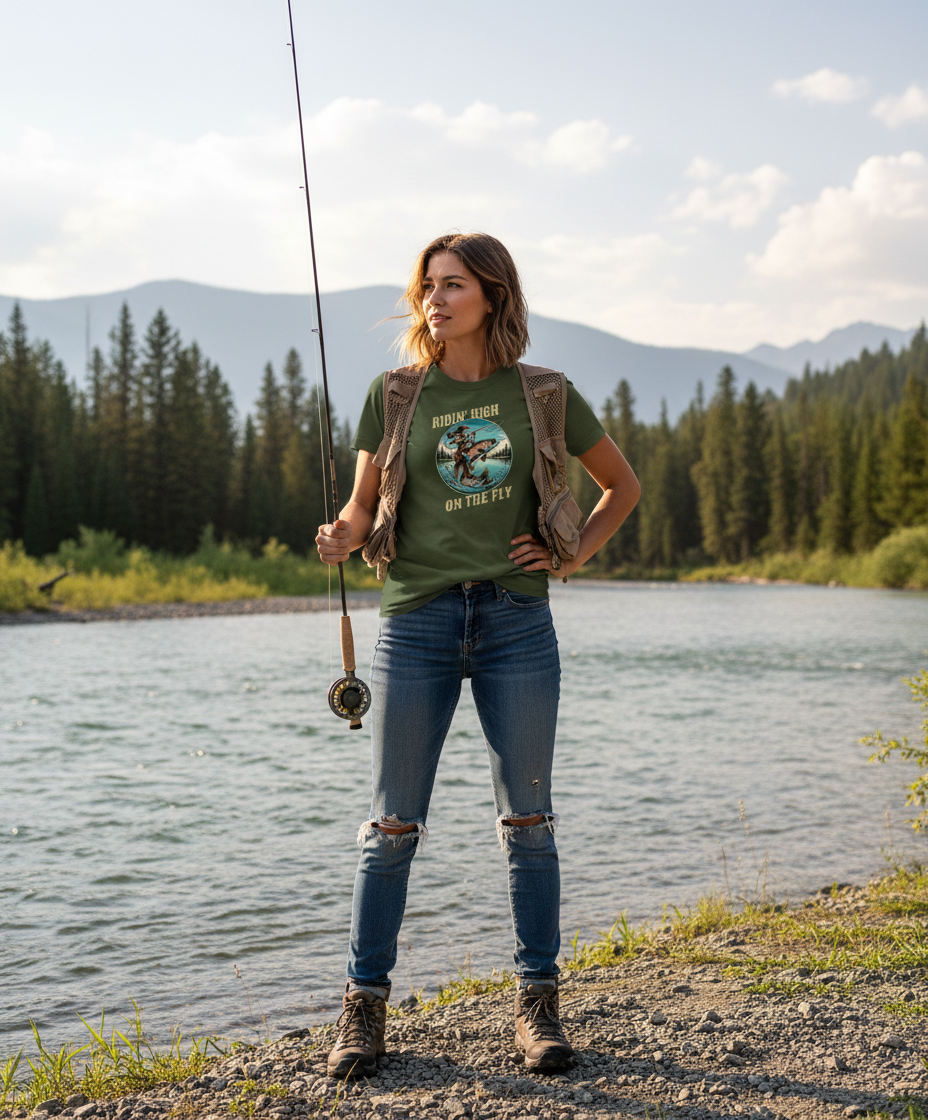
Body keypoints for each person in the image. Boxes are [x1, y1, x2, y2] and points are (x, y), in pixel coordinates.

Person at [316, 232, 640, 1078]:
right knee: (391, 827)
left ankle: (538, 1006)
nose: (436, 299)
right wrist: (341, 534)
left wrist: (570, 555)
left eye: (454, 284)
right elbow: (361, 508)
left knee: (528, 822)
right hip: (415, 620)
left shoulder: (544, 393)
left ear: (493, 295)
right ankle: (362, 1010)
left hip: (515, 621)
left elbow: (623, 487)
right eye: (428, 286)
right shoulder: (394, 394)